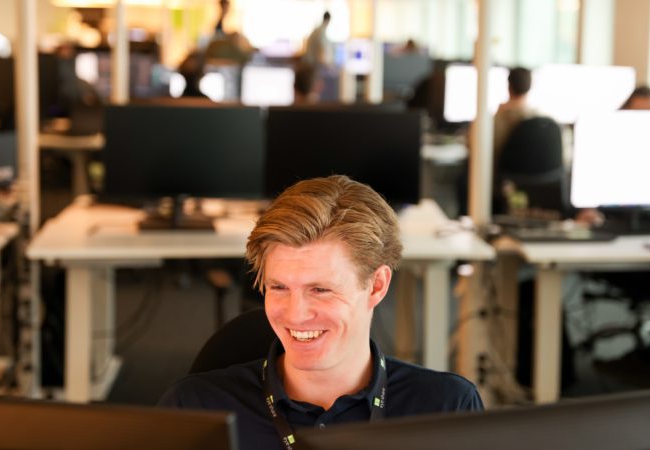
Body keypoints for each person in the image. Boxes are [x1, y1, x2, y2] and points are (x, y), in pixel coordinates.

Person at [159, 175, 484, 449]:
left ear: (376, 286)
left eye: (320, 290)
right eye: (279, 287)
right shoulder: (196, 407)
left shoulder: (446, 408)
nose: (296, 314)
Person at [492, 67, 539, 163]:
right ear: (530, 86)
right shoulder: (543, 119)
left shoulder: (499, 120)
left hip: (504, 176)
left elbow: (476, 146)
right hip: (541, 177)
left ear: (509, 86)